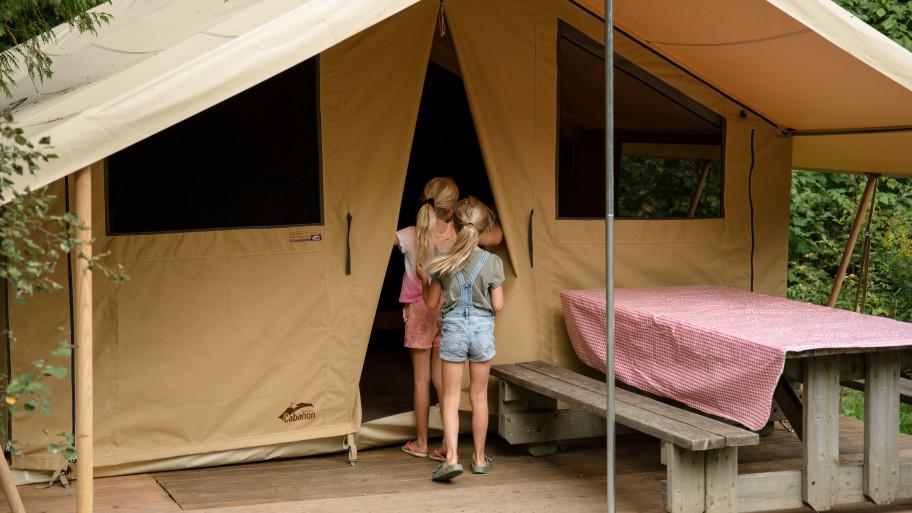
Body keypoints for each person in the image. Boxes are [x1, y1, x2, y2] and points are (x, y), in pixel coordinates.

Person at [417, 196, 505, 482]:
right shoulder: (493, 262)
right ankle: (479, 459)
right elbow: (499, 305)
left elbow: (431, 305)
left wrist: (423, 279)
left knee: (451, 398)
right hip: (481, 331)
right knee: (478, 396)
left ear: (454, 226)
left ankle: (452, 458)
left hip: (453, 331)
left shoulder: (442, 263)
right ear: (483, 229)